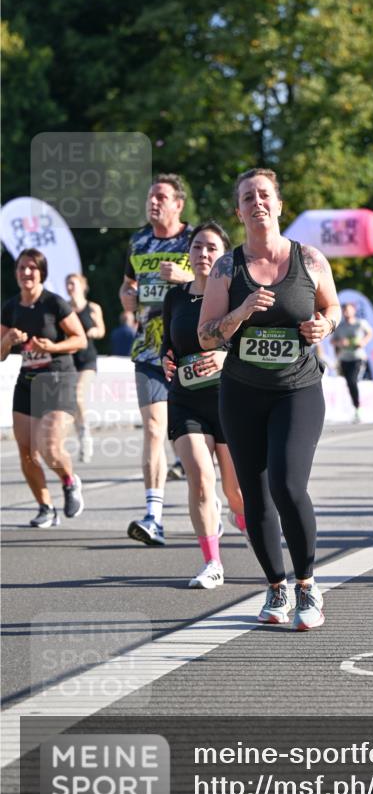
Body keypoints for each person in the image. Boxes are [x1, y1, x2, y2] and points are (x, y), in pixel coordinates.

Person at [198, 168, 340, 630]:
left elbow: (332, 307)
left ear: (279, 205)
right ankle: (275, 586)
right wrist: (240, 312)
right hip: (242, 394)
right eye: (247, 197)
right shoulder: (227, 268)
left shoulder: (311, 259)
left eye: (264, 195)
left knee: (287, 484)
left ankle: (307, 586)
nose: (257, 203)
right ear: (238, 211)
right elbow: (204, 336)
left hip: (297, 389)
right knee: (252, 497)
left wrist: (325, 325)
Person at [161, 222, 246, 588]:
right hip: (186, 400)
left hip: (228, 399)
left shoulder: (236, 293)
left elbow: (248, 344)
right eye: (196, 247)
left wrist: (226, 359)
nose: (203, 254)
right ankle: (212, 562)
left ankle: (249, 527)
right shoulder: (175, 297)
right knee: (200, 477)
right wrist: (167, 358)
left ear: (224, 255)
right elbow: (171, 343)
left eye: (211, 248)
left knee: (236, 491)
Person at [119, 174, 194, 545]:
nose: (154, 203)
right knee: (153, 430)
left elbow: (221, 282)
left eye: (161, 197)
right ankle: (154, 516)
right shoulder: (139, 240)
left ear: (178, 204)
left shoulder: (195, 240)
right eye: (150, 197)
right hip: (148, 349)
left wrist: (186, 275)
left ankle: (220, 506)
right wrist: (126, 296)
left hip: (190, 348)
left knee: (196, 440)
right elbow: (128, 283)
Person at [1, 249, 86, 526]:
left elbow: (80, 340)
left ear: (42, 273)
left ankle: (70, 481)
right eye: (22, 268)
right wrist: (8, 341)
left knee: (48, 446)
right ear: (16, 272)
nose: (26, 273)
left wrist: (53, 346)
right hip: (27, 381)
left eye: (32, 268)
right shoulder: (10, 307)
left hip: (57, 378)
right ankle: (45, 507)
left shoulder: (54, 304)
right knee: (26, 451)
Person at [66, 273, 106, 462]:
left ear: (82, 285)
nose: (70, 287)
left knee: (78, 393)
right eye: (68, 284)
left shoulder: (92, 307)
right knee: (71, 401)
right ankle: (82, 433)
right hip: (69, 359)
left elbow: (101, 329)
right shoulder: (64, 308)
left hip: (87, 359)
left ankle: (85, 433)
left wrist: (94, 331)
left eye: (73, 283)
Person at [332, 301, 373, 422]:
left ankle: (358, 409)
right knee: (350, 383)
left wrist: (364, 342)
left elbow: (370, 333)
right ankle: (355, 408)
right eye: (344, 310)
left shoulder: (360, 324)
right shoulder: (341, 326)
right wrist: (340, 343)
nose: (346, 312)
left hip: (358, 357)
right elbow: (333, 341)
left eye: (349, 309)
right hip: (345, 358)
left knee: (353, 380)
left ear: (354, 311)